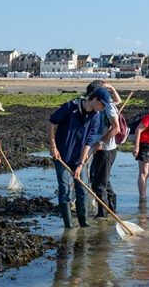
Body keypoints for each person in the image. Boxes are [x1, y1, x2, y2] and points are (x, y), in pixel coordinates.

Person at [47, 87, 111, 228]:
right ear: (95, 99)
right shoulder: (70, 107)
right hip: (61, 156)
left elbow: (88, 143)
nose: (103, 108)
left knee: (82, 190)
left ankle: (84, 224)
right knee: (64, 189)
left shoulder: (96, 116)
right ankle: (68, 226)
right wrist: (53, 147)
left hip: (78, 159)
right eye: (102, 104)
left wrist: (81, 164)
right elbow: (51, 122)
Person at [87, 80, 122, 219]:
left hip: (106, 149)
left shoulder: (108, 106)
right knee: (100, 179)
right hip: (100, 148)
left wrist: (100, 142)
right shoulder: (104, 103)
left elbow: (116, 128)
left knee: (99, 183)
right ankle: (111, 208)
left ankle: (103, 214)